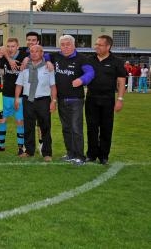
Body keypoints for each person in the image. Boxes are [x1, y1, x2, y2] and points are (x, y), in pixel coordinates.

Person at [52, 35, 94, 165]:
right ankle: (70, 153)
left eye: (68, 44)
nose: (65, 47)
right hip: (61, 99)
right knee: (66, 128)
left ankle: (80, 156)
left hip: (76, 99)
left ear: (74, 45)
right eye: (63, 44)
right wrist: (47, 61)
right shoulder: (55, 56)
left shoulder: (82, 58)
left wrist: (82, 80)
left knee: (76, 128)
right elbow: (37, 54)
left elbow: (90, 72)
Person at [85, 35, 126, 165]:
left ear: (108, 46)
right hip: (91, 99)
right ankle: (91, 154)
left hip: (108, 100)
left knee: (106, 128)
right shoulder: (89, 60)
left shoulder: (116, 61)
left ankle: (103, 156)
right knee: (92, 128)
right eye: (96, 44)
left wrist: (120, 99)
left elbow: (121, 81)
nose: (96, 46)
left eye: (100, 45)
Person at [14, 45, 57, 161]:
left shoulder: (48, 67)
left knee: (45, 127)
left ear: (42, 53)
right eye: (31, 51)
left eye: (37, 51)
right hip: (28, 100)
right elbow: (19, 84)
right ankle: (29, 151)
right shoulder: (24, 67)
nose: (33, 53)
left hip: (43, 100)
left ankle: (47, 153)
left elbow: (53, 86)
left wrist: (53, 101)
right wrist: (17, 99)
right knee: (28, 126)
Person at [0, 38, 26, 154]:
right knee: (2, 120)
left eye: (13, 46)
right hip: (6, 94)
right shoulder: (5, 56)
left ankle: (20, 147)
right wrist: (8, 59)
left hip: (20, 96)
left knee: (19, 121)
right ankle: (0, 145)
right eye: (8, 46)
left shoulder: (24, 56)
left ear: (18, 46)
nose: (10, 48)